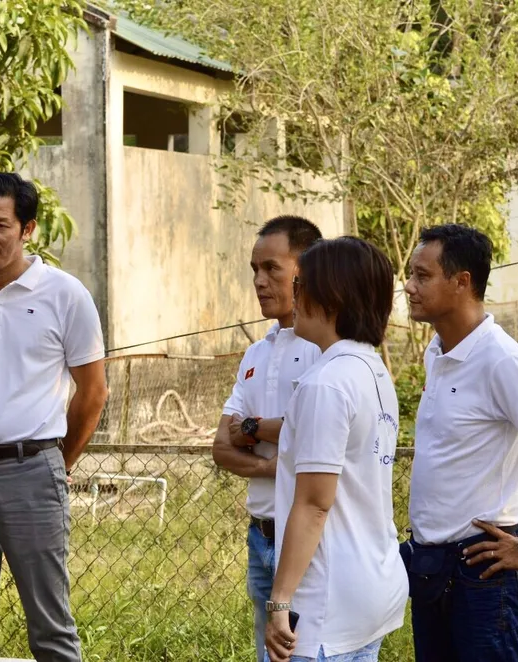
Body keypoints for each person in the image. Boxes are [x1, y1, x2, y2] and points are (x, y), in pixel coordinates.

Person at [0, 173, 108, 662]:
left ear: (28, 229)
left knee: (49, 626)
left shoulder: (65, 294)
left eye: (1, 225)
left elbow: (93, 393)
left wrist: (55, 460)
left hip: (32, 471)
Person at [402, 224, 518, 661]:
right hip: (430, 568)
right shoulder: (438, 351)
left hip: (482, 572)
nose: (409, 286)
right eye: (410, 274)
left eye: (422, 276)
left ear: (462, 282)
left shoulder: (498, 359)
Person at [264, 237, 408, 662]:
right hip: (371, 586)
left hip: (325, 602)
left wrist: (279, 601)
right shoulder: (373, 369)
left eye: (301, 284)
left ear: (333, 296)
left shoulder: (325, 383)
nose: (294, 294)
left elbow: (314, 505)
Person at [211, 215, 323, 662]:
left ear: (306, 270)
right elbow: (221, 447)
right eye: (254, 269)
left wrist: (255, 430)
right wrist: (272, 466)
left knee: (305, 653)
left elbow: (313, 436)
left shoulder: (326, 349)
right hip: (260, 536)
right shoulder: (257, 353)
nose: (259, 280)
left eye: (271, 268)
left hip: (306, 542)